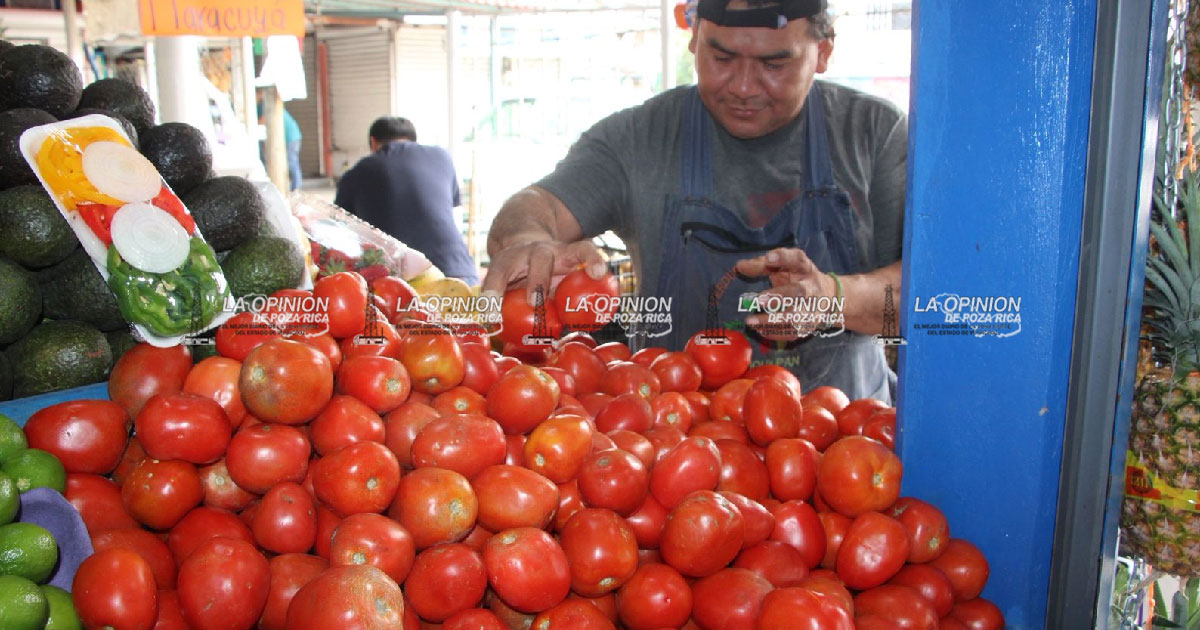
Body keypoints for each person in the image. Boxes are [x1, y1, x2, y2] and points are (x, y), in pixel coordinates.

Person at [482, 0, 906, 402]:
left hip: (844, 442)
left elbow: (928, 296)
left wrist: (832, 296)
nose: (742, 86)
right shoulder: (640, 137)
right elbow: (537, 203)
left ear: (824, 51)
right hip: (674, 445)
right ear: (694, 39)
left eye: (774, 64)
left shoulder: (874, 136)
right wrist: (528, 239)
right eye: (721, 58)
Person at [335, 117, 479, 286]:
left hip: (402, 286)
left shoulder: (358, 172)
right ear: (413, 139)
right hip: (459, 273)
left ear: (373, 143)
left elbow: (338, 229)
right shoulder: (442, 157)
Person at [283, 107, 303, 191]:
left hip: (291, 138)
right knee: (292, 162)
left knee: (292, 162)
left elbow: (261, 120)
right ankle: (295, 188)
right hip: (293, 137)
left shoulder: (267, 107)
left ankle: (296, 189)